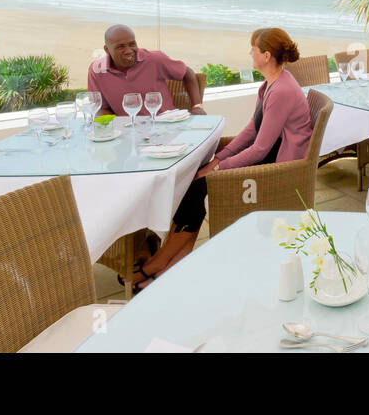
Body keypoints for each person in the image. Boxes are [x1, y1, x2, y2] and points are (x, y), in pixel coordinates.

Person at [133, 28, 314, 290]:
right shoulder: (269, 84)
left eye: (253, 49)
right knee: (194, 186)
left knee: (196, 187)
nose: (249, 53)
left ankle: (157, 266)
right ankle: (168, 270)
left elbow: (261, 149)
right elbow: (251, 130)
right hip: (270, 155)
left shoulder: (282, 90)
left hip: (280, 168)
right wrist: (218, 158)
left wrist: (217, 169)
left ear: (266, 55)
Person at [87, 24, 204, 116]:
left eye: (132, 44)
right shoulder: (96, 71)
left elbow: (187, 72)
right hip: (129, 132)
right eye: (121, 47)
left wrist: (197, 106)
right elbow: (101, 108)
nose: (128, 51)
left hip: (167, 126)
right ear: (107, 49)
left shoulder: (154, 59)